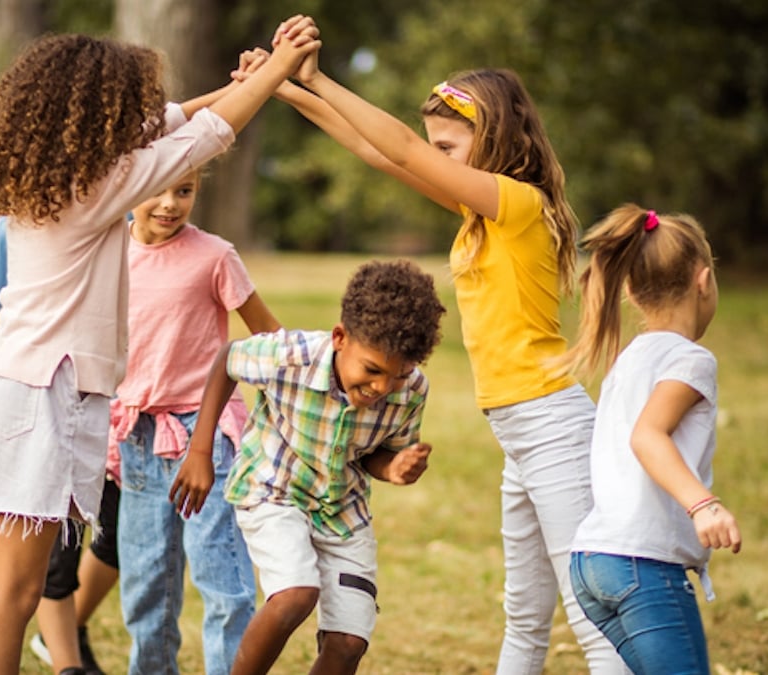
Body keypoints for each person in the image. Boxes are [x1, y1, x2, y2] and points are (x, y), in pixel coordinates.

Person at [243, 35, 626, 674]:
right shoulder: (483, 212)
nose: (435, 158)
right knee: (526, 618)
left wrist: (320, 77)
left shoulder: (517, 205)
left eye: (448, 147)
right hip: (522, 430)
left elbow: (399, 146)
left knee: (590, 619)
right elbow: (376, 151)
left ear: (495, 138)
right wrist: (283, 84)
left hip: (552, 426)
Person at [0, 21, 319, 675]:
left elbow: (176, 120)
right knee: (9, 590)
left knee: (4, 586)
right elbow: (207, 134)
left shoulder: (57, 174)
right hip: (41, 391)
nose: (140, 120)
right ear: (99, 116)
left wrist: (228, 86)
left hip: (22, 386)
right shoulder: (99, 186)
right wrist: (279, 67)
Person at [170, 259, 447, 675]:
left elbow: (376, 454)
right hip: (273, 490)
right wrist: (199, 451)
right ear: (340, 337)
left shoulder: (411, 391)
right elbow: (229, 359)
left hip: (342, 512)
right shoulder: (290, 356)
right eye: (372, 370)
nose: (382, 388)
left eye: (398, 375)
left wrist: (394, 469)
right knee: (296, 593)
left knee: (349, 641)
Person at [0, 217, 119, 675]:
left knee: (2, 588)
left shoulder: (109, 214)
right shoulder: (16, 228)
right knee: (11, 590)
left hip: (53, 401)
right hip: (38, 402)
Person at [109, 166, 280, 675]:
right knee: (145, 589)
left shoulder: (214, 256)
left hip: (206, 434)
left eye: (184, 191)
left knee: (224, 586)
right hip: (137, 436)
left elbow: (267, 335)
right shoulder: (108, 251)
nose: (169, 203)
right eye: (157, 189)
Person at [561, 205, 741, 673]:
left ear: (633, 293)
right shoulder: (692, 359)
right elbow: (648, 436)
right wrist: (703, 504)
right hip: (641, 564)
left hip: (592, 562)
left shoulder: (629, 358)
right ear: (703, 281)